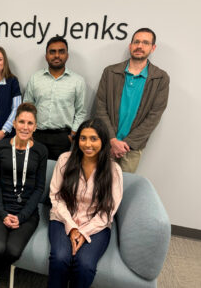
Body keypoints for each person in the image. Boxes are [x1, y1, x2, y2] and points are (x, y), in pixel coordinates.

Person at [0, 103, 48, 288]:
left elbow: (39, 188)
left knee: (12, 251)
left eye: (30, 123)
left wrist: (21, 216)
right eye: (21, 122)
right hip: (0, 208)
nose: (25, 127)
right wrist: (3, 213)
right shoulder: (1, 147)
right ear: (14, 123)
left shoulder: (41, 151)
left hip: (27, 212)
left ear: (35, 126)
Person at [48, 118, 123, 288]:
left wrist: (83, 232)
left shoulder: (113, 170)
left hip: (96, 225)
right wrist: (72, 227)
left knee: (85, 265)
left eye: (94, 139)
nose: (88, 144)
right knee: (60, 258)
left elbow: (108, 210)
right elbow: (56, 197)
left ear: (103, 141)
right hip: (63, 219)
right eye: (83, 138)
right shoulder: (64, 160)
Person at [95, 27, 170, 173]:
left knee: (122, 190)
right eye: (136, 42)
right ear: (130, 45)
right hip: (105, 143)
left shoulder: (160, 78)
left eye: (145, 43)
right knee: (96, 186)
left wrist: (126, 144)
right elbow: (100, 106)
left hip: (132, 148)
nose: (140, 46)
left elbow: (154, 115)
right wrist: (112, 140)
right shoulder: (110, 72)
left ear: (153, 48)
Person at [24, 36, 87, 160]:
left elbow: (81, 111)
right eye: (52, 52)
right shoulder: (35, 78)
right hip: (37, 135)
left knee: (57, 175)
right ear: (46, 56)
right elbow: (27, 106)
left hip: (63, 138)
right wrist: (28, 132)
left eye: (61, 51)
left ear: (67, 55)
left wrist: (73, 134)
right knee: (33, 172)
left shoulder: (77, 81)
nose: (57, 55)